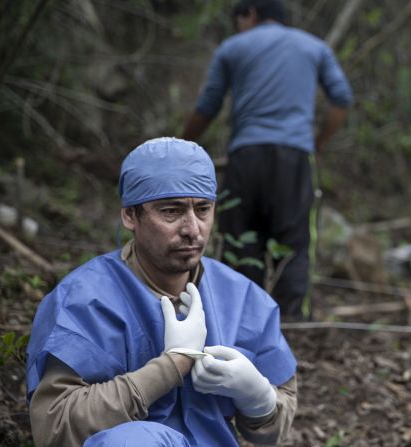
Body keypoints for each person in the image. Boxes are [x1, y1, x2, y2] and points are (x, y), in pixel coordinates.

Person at [26, 137, 297, 446]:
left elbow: (280, 417)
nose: (192, 229)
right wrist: (171, 366)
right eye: (171, 211)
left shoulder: (243, 299)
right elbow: (55, 425)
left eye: (203, 210)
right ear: (130, 216)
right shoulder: (83, 302)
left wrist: (258, 397)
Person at [182, 0, 353, 319]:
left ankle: (242, 325)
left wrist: (179, 146)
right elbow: (341, 99)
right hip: (294, 158)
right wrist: (319, 143)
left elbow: (208, 106)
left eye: (239, 19)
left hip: (245, 157)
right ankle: (292, 329)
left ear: (250, 14)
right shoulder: (314, 47)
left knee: (242, 240)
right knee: (295, 244)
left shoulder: (232, 48)